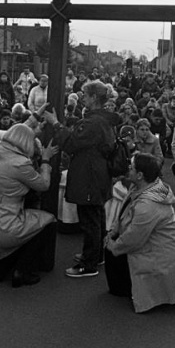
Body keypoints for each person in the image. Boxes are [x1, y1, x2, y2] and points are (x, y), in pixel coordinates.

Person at [104, 153, 175, 312]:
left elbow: (134, 239)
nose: (128, 168)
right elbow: (124, 214)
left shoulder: (147, 205)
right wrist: (113, 231)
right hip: (155, 245)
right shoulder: (141, 187)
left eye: (132, 167)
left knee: (114, 256)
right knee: (113, 257)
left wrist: (114, 245)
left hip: (161, 252)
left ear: (140, 175)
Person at [0, 123, 57, 287]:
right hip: (6, 223)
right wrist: (46, 160)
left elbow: (19, 134)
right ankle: (22, 271)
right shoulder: (20, 163)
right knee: (48, 222)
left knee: (24, 225)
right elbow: (43, 185)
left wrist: (33, 131)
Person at [57, 80, 121, 278]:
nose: (83, 98)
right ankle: (96, 254)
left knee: (89, 220)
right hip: (98, 173)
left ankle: (88, 264)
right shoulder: (104, 120)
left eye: (85, 95)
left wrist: (56, 124)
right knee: (97, 216)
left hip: (89, 175)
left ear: (93, 97)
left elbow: (71, 143)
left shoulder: (93, 123)